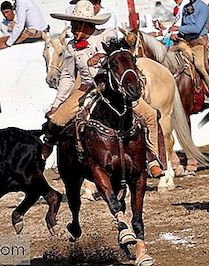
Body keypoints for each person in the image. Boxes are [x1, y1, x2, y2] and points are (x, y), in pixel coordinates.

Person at [44, 0, 164, 178]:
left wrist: (103, 56)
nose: (72, 28)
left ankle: (152, 158)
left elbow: (123, 54)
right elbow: (68, 77)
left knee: (150, 115)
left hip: (113, 88)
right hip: (85, 89)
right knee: (56, 120)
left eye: (75, 24)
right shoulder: (70, 47)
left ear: (86, 24)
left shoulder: (107, 35)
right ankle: (47, 151)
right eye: (72, 24)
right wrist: (57, 103)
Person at [170, 0, 209, 100]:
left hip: (198, 42)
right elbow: (185, 26)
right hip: (185, 42)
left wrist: (178, 28)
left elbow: (197, 28)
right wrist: (177, 35)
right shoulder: (186, 7)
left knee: (199, 65)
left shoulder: (203, 7)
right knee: (168, 53)